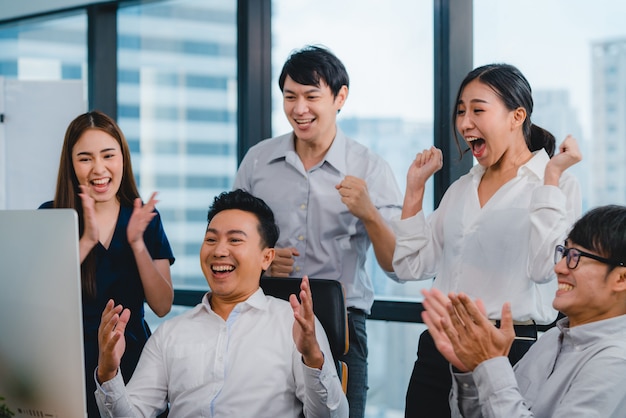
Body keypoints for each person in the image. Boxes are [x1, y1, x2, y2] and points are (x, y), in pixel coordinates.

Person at [391, 63, 583, 417]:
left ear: (517, 116)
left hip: (508, 351)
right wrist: (415, 190)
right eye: (461, 111)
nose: (464, 123)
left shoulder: (557, 183)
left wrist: (551, 177)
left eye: (478, 109)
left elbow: (545, 268)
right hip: (439, 347)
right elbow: (409, 265)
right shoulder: (461, 188)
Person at [233, 45, 403, 417]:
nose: (299, 108)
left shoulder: (370, 168)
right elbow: (231, 240)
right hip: (264, 315)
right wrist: (260, 260)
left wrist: (369, 213)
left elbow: (396, 266)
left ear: (340, 97)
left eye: (311, 96)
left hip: (340, 324)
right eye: (290, 96)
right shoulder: (258, 160)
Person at [94, 189, 349, 417]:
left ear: (266, 257)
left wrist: (313, 358)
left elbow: (331, 416)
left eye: (235, 240)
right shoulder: (170, 333)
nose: (219, 251)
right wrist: (108, 374)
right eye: (211, 239)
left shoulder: (293, 325)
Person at [421, 204, 626, 417]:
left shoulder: (616, 360)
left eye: (576, 257)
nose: (559, 268)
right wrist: (472, 372)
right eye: (564, 253)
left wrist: (490, 363)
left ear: (621, 278)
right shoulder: (552, 339)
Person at [40, 110, 174, 417]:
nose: (98, 168)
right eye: (85, 158)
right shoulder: (52, 215)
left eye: (108, 155)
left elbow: (163, 305)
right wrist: (86, 240)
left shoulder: (143, 218)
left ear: (122, 159)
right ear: (71, 165)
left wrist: (137, 242)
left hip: (134, 360)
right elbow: (40, 297)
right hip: (68, 362)